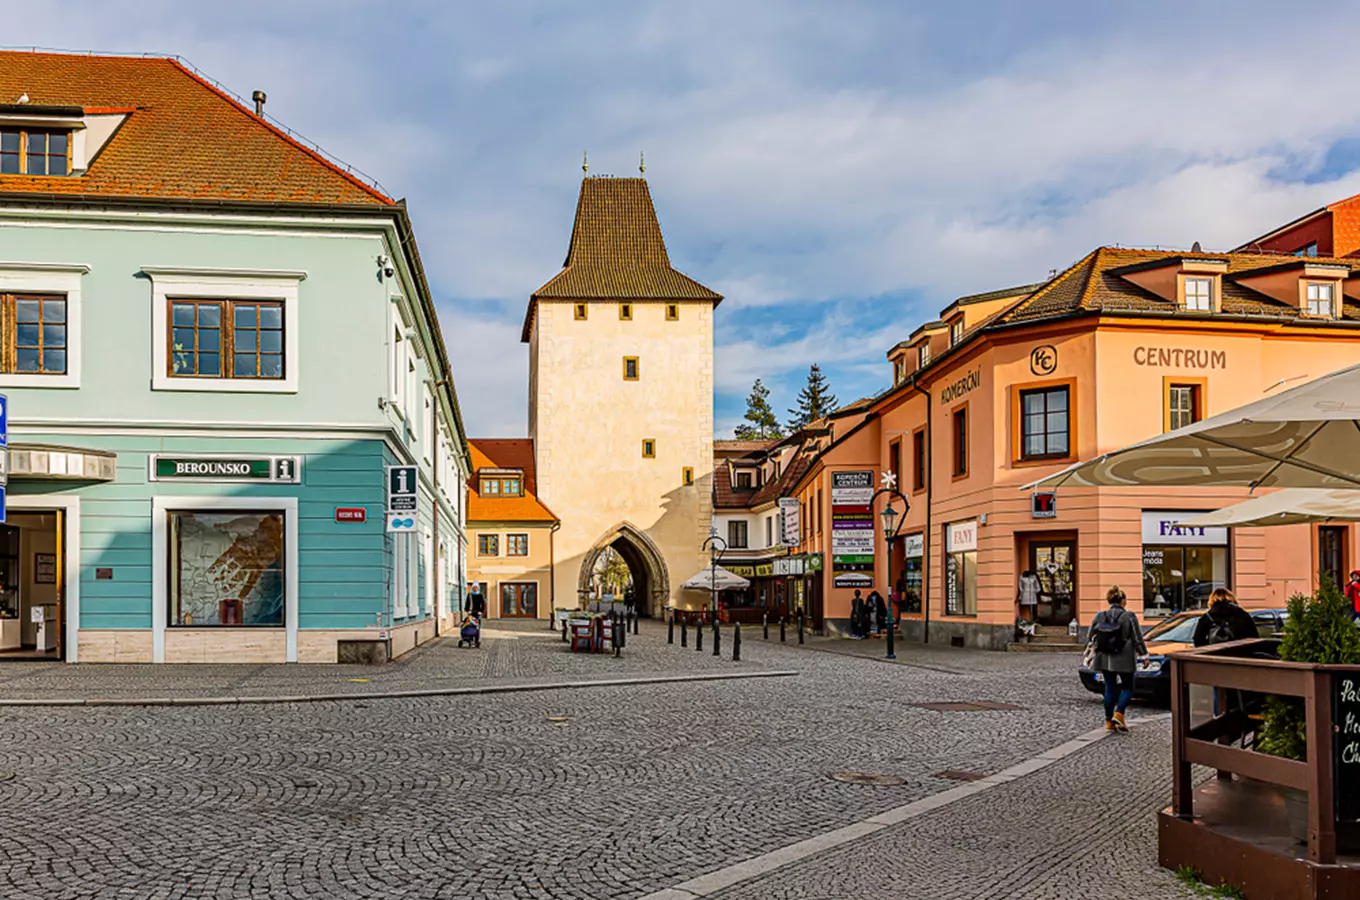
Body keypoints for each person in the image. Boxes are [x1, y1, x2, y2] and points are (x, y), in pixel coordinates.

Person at [1086, 586, 1147, 733]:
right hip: (1124, 656)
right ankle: (1119, 714)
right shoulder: (1129, 616)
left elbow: (1090, 635)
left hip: (1105, 656)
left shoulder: (1100, 615)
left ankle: (1108, 722)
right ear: (1122, 600)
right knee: (1128, 687)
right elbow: (1137, 638)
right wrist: (1144, 655)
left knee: (1109, 688)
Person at [1192, 588, 1256, 647]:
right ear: (1232, 599)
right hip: (1238, 655)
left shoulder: (1207, 617)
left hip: (1214, 655)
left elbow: (1198, 640)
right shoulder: (1242, 614)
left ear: (1211, 600)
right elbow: (1253, 637)